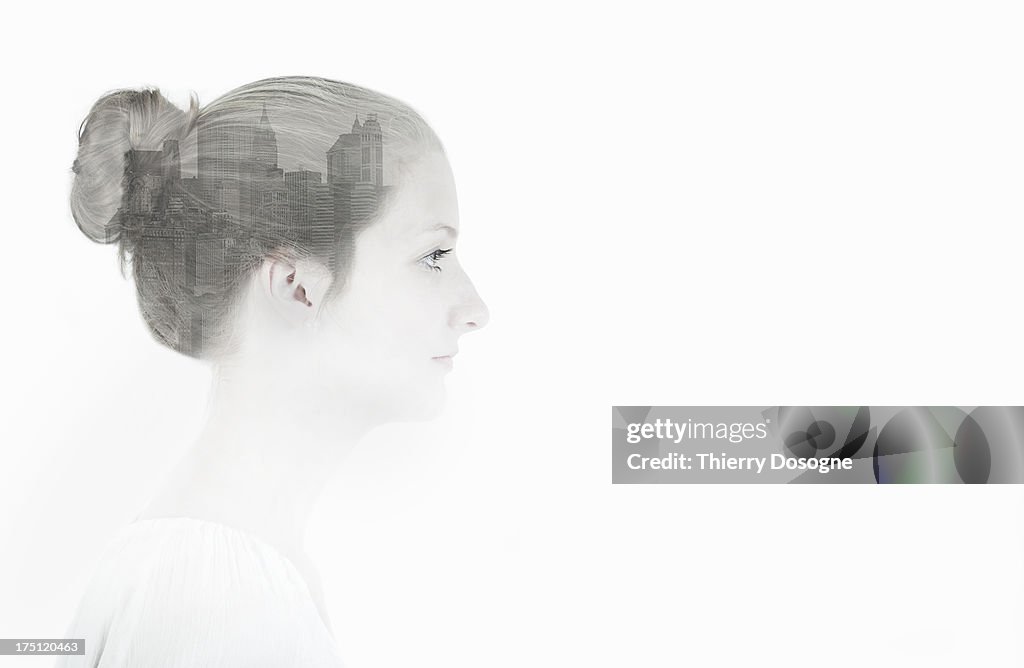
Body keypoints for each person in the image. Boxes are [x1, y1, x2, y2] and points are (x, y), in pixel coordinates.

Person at [57, 76, 489, 666]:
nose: (475, 310)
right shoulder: (221, 603)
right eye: (432, 256)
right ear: (298, 286)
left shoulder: (224, 579)